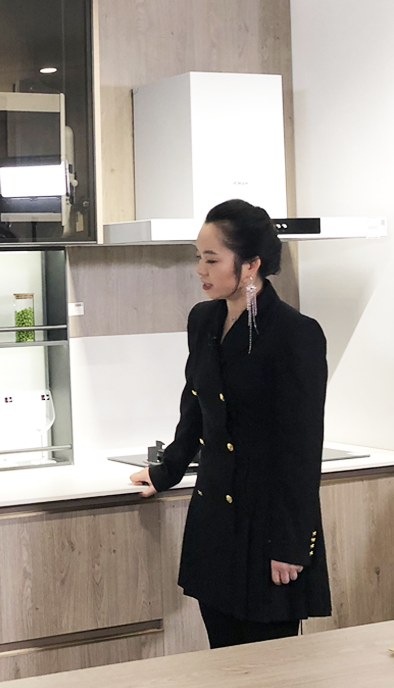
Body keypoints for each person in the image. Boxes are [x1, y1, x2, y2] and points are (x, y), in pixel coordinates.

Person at [130, 199, 331, 648]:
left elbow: (301, 449)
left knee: (267, 666)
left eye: (211, 259)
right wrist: (166, 470)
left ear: (251, 264)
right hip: (216, 522)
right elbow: (195, 405)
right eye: (198, 257)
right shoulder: (204, 319)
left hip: (269, 527)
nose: (199, 269)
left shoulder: (295, 333)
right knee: (221, 658)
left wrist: (291, 545)